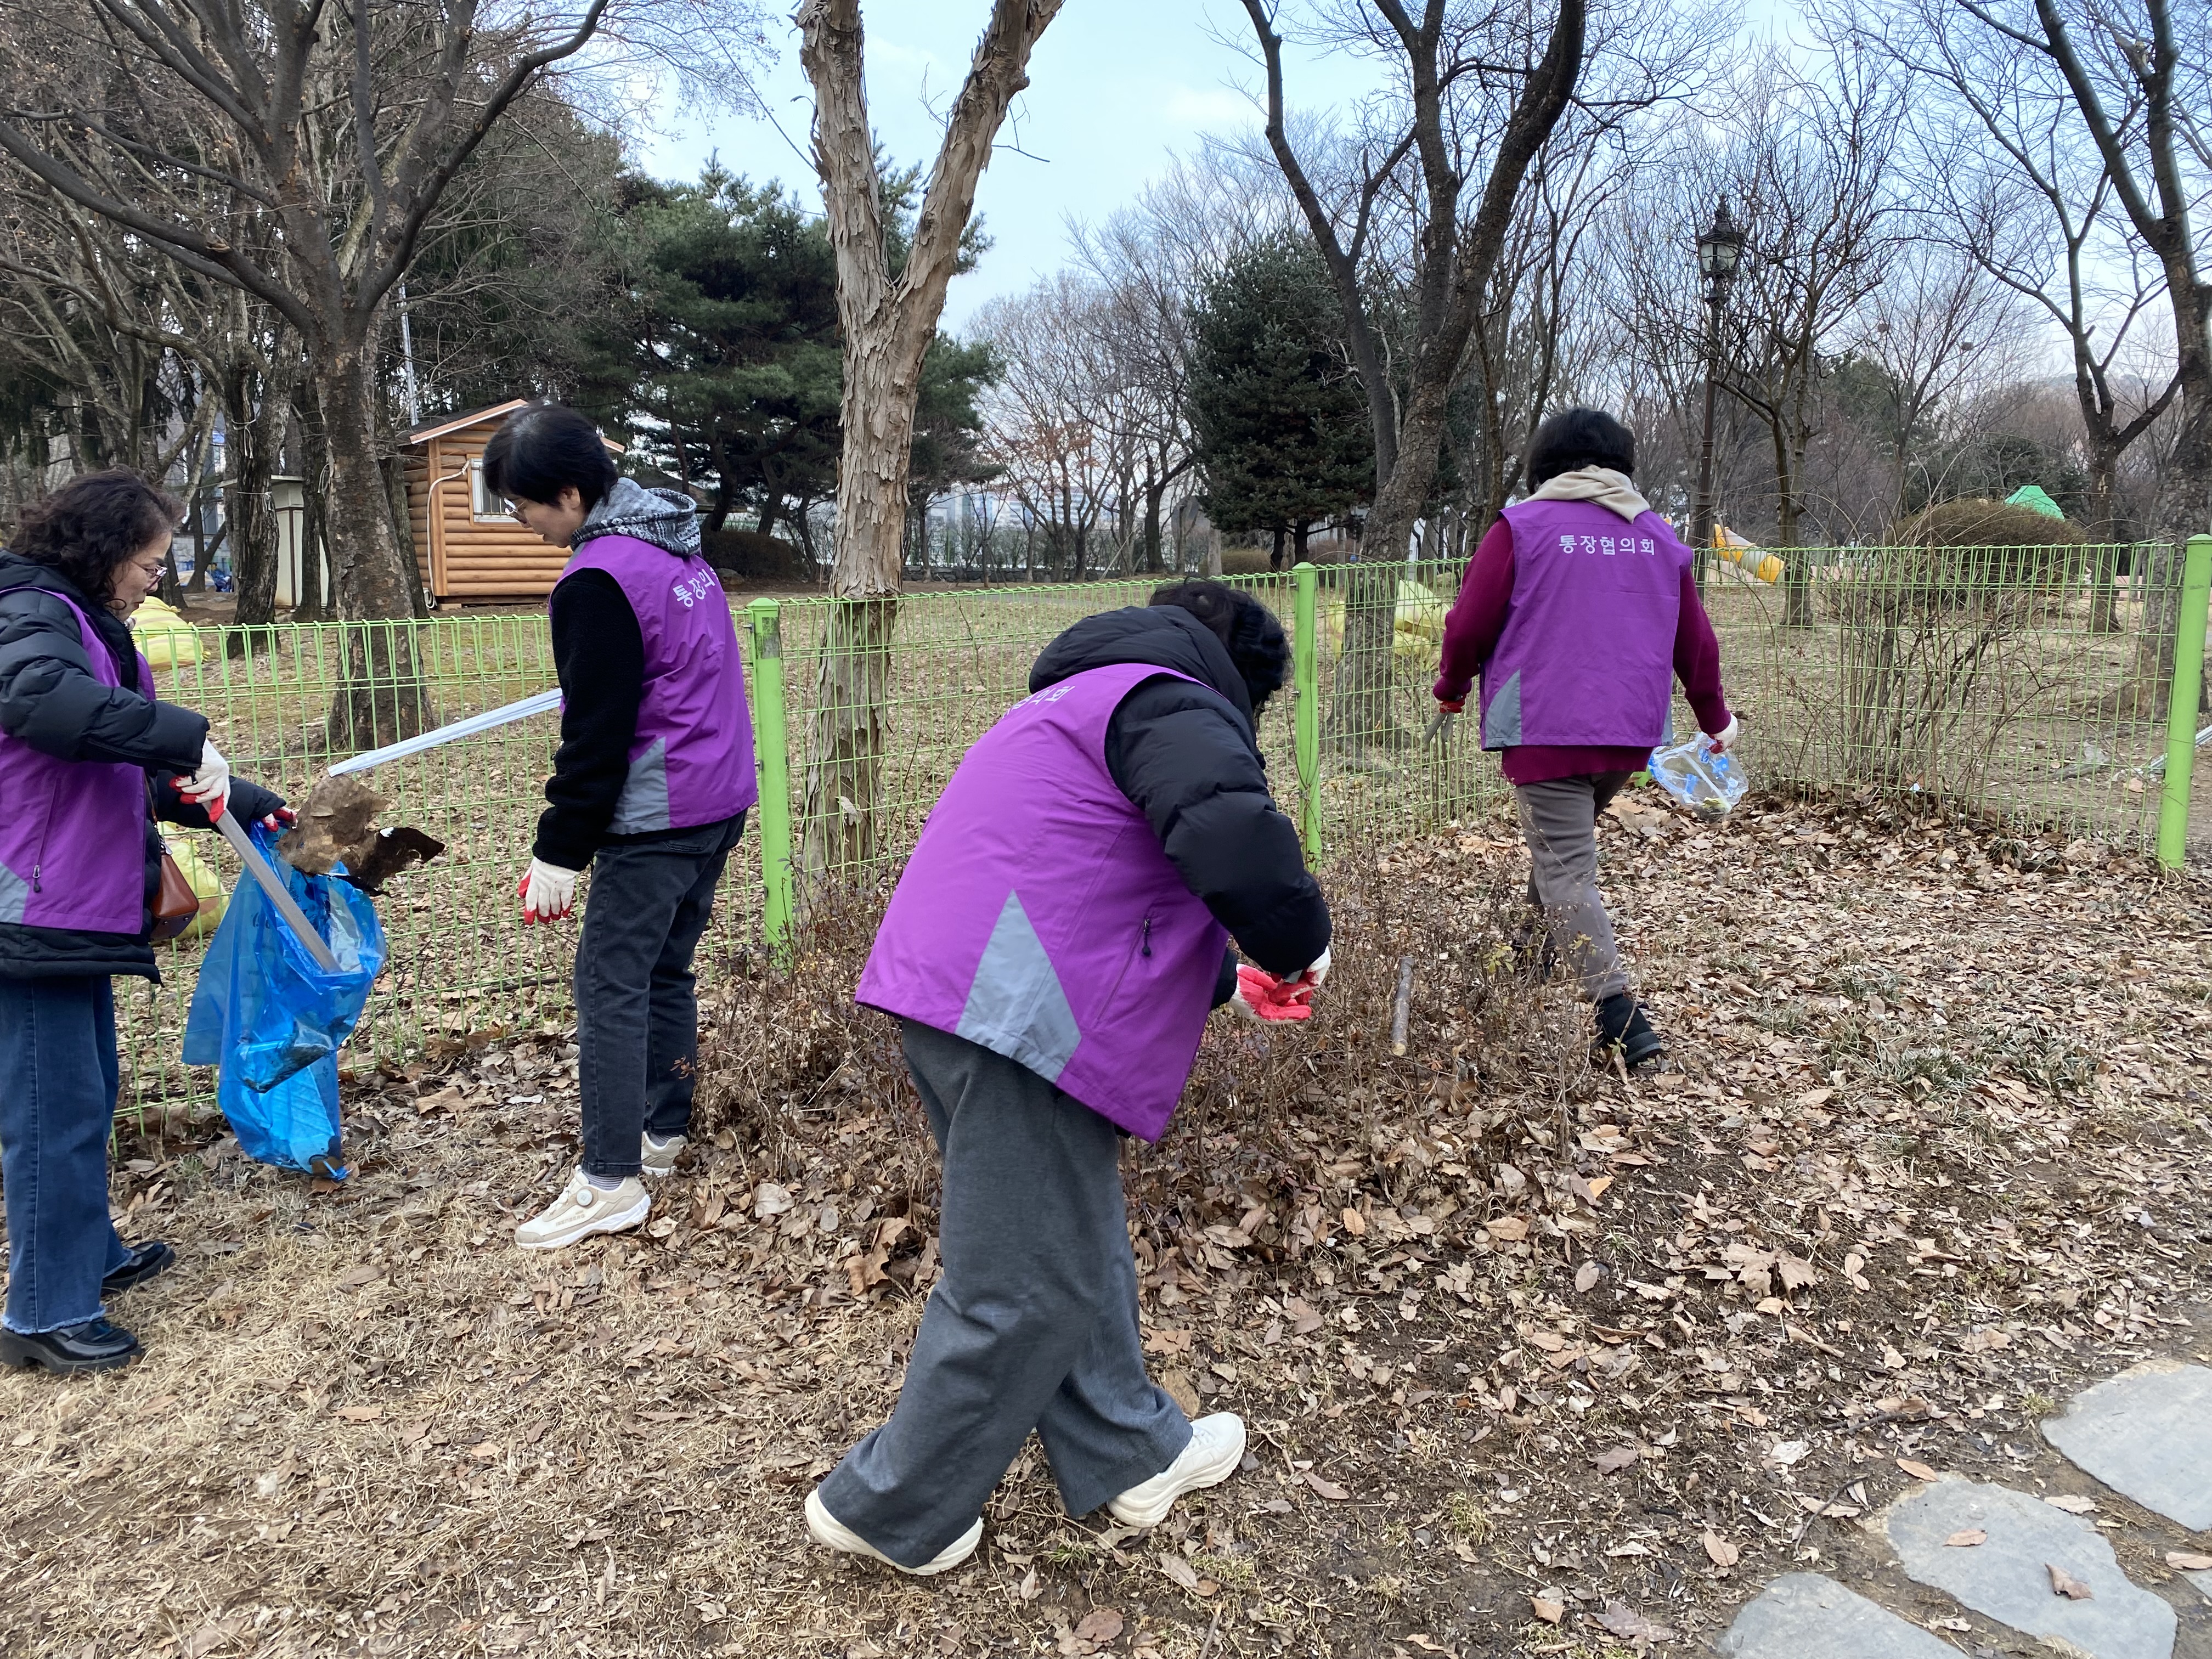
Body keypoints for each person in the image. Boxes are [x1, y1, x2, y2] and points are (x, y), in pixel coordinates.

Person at [808, 579, 1333, 1575]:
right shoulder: (1172, 698)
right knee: (1023, 1281)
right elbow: (1226, 837)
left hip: (964, 990)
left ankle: (1134, 1449)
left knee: (1067, 1231)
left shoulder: (1070, 698)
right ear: (1242, 681)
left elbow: (1089, 868)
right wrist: (1301, 940)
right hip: (1020, 1009)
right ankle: (890, 1504)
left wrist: (1226, 975)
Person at [0, 470, 292, 1374]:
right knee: (52, 1108)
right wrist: (182, 732)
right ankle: (43, 1310)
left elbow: (120, 760)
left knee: (86, 1091)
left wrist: (237, 799)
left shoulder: (82, 620)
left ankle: (84, 1255)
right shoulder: (29, 616)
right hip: (31, 898)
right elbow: (45, 704)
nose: (157, 577)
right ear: (102, 552)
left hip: (73, 897)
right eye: (150, 560)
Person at [482, 405, 758, 1251]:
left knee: (608, 986)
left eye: (524, 507)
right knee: (665, 970)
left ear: (570, 493)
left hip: (659, 812)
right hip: (718, 797)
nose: (522, 525)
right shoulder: (677, 548)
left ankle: (609, 1179)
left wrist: (559, 848)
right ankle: (660, 1132)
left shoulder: (598, 577)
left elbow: (597, 730)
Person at [1433, 408, 1736, 1070]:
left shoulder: (1521, 528)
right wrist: (1716, 720)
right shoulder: (1657, 535)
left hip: (1543, 728)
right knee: (1564, 853)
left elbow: (1466, 626)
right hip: (1630, 732)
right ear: (1622, 464)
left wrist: (1451, 687)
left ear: (1543, 465)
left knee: (1568, 864)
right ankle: (1532, 953)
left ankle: (1620, 1015)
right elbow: (1697, 641)